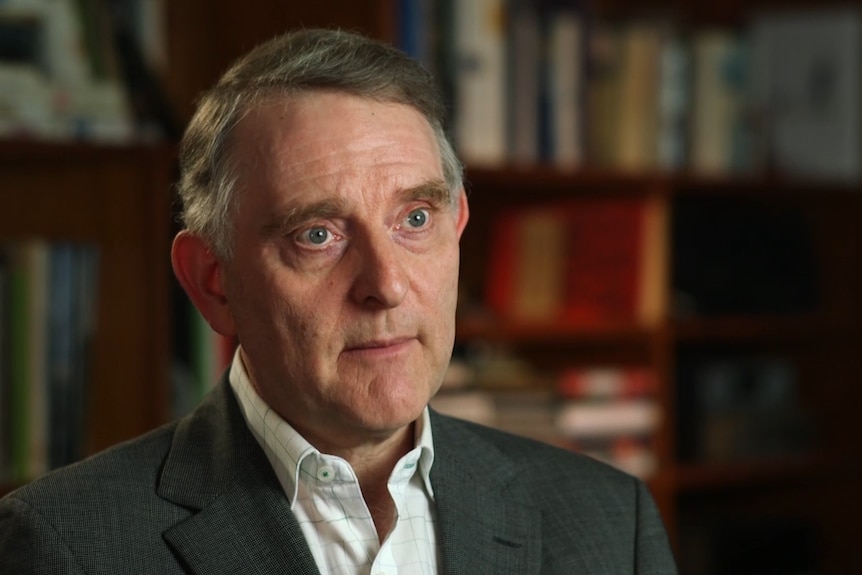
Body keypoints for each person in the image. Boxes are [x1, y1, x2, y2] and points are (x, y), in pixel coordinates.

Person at [0, 28, 677, 574]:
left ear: (458, 227)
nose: (384, 283)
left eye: (415, 219)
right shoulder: (67, 546)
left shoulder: (610, 523)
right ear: (213, 280)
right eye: (317, 234)